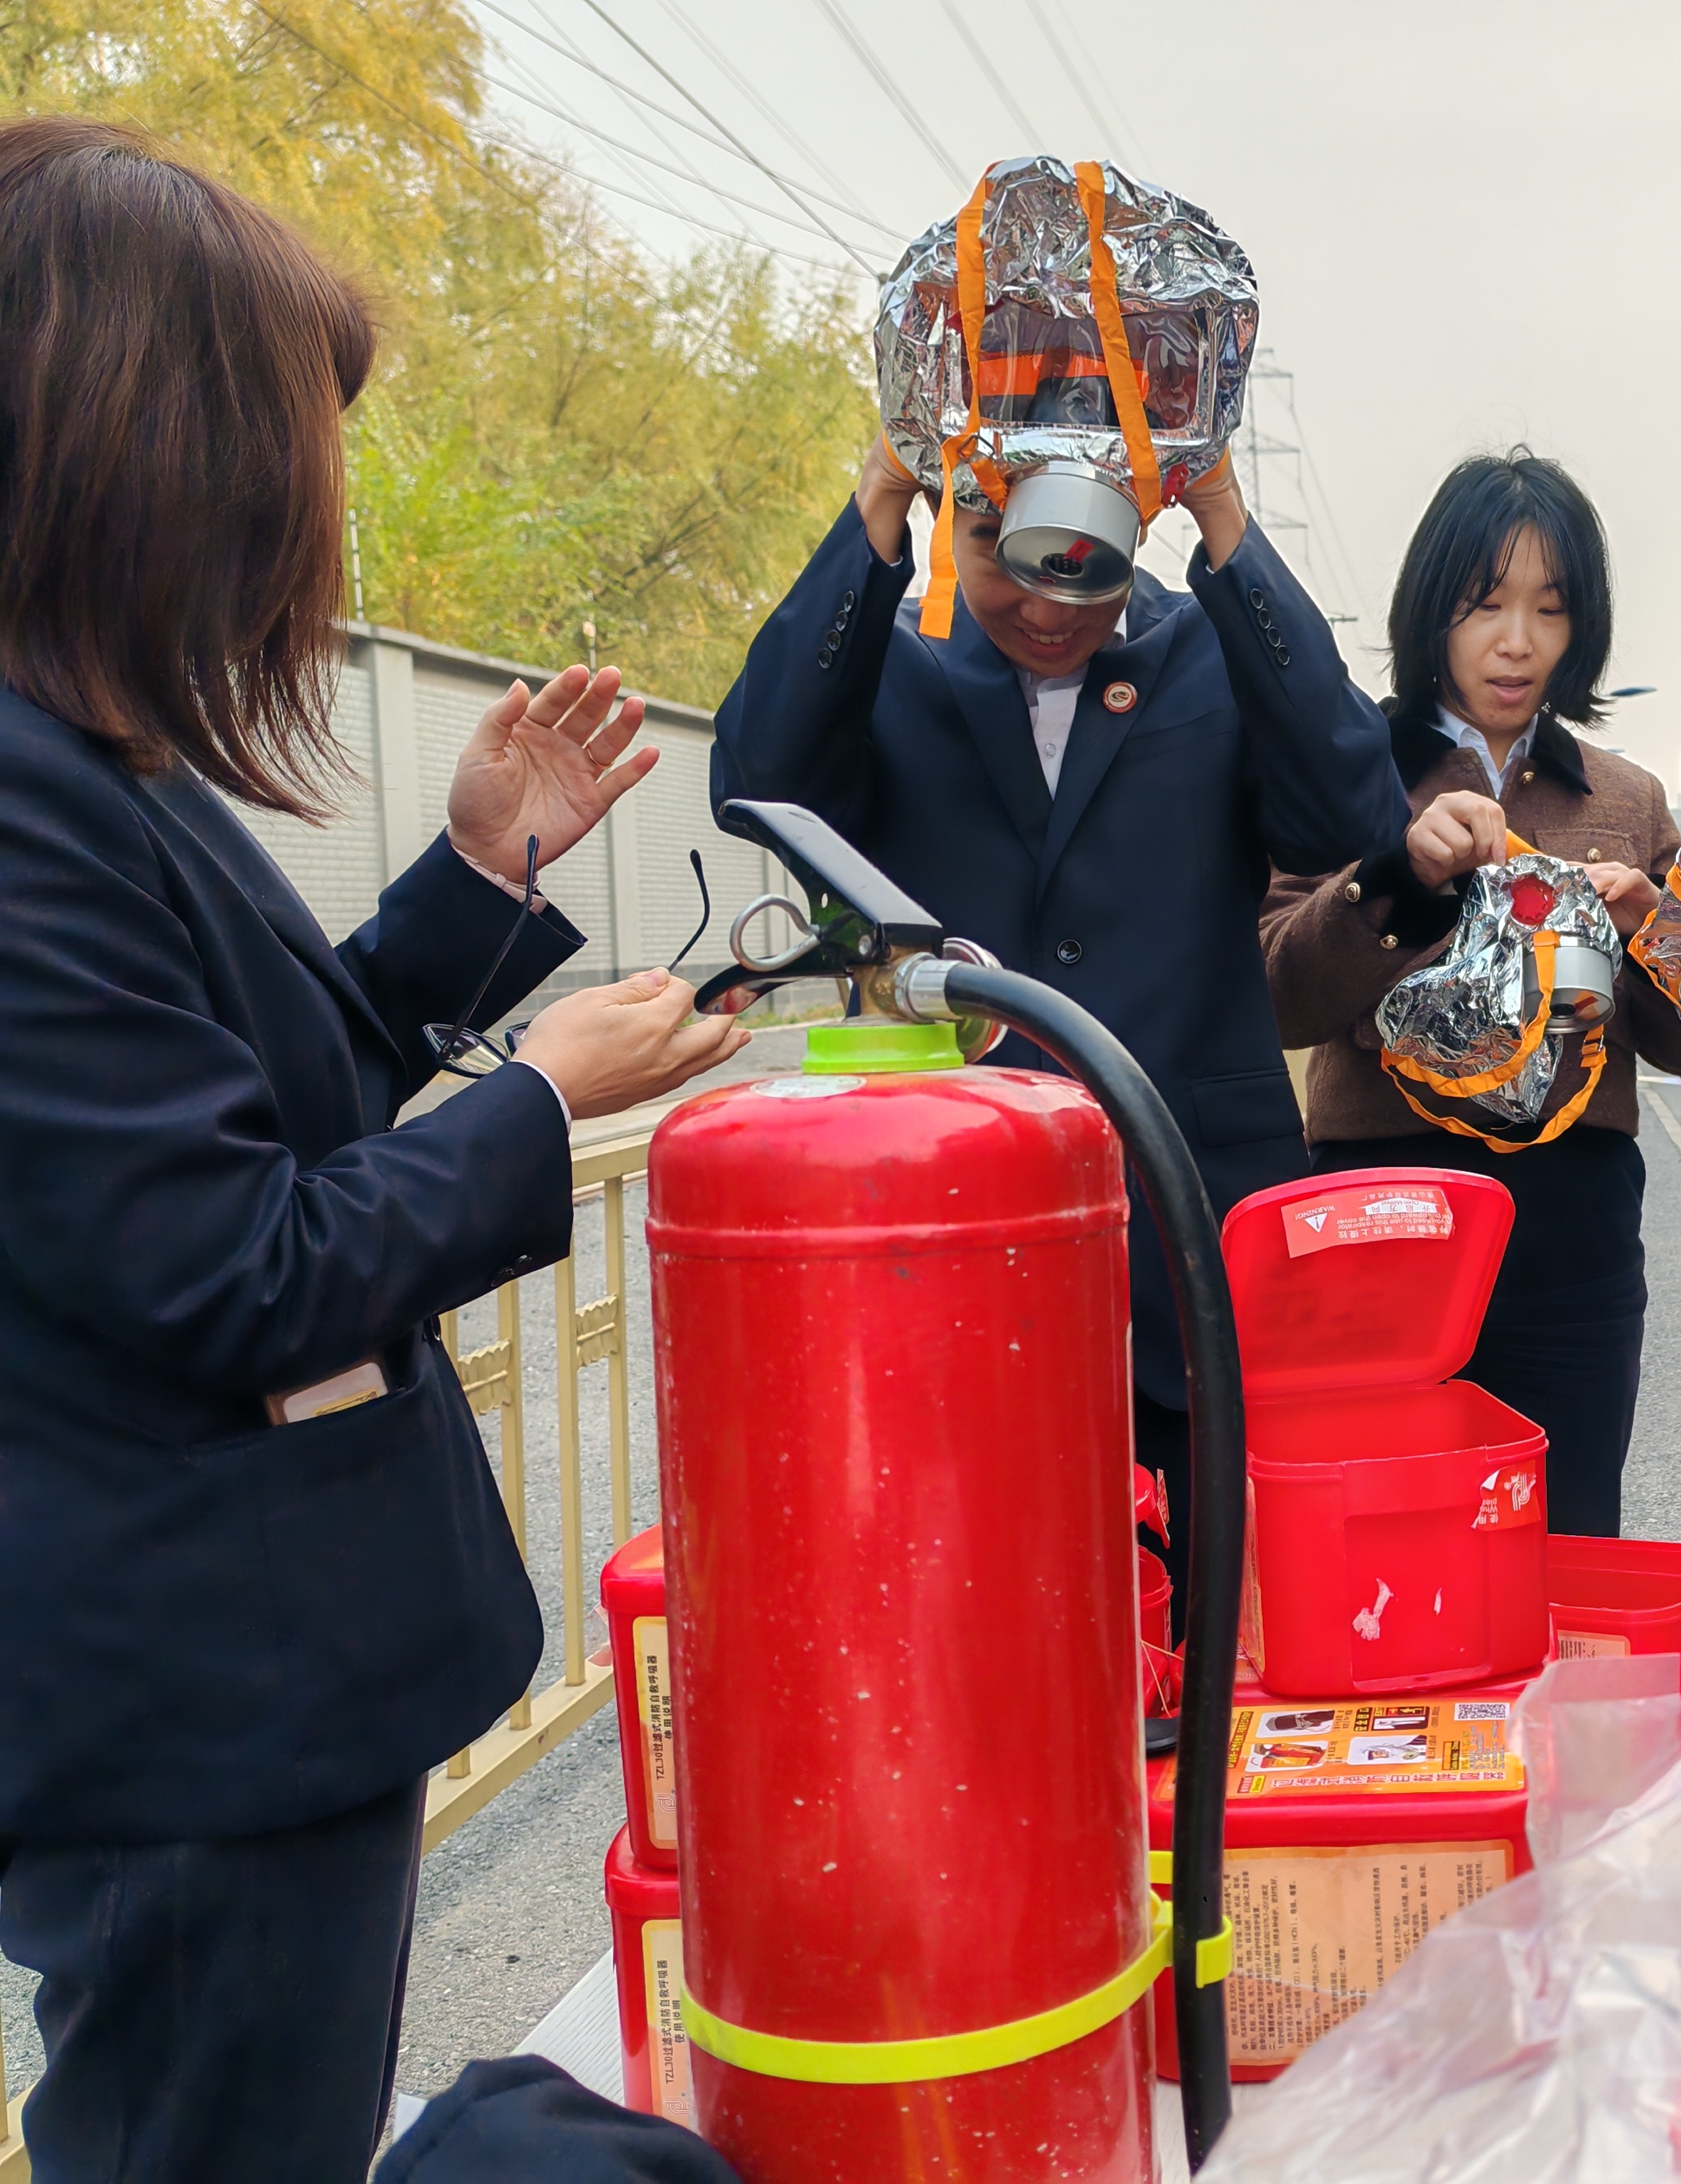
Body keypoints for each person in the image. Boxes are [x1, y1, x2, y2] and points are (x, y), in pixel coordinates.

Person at [0, 119, 746, 2182]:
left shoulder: (89, 766)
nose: (294, 541)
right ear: (146, 455)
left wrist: (467, 889)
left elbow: (229, 1100)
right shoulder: (19, 803)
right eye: (279, 473)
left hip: (260, 1706)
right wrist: (542, 1101)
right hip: (187, 1734)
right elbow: (235, 1262)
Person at [711, 400, 1405, 1583]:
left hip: (1191, 1231)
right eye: (1000, 555)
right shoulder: (898, 664)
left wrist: (1222, 511)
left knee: (1215, 1638)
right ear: (950, 525)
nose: (1045, 608)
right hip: (958, 1241)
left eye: (1085, 569)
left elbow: (1353, 817)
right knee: (985, 1609)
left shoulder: (1207, 655)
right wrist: (882, 493)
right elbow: (757, 781)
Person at [1260, 452, 1681, 1535]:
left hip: (1576, 1224)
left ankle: (1550, 1714)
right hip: (1380, 1207)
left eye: (1550, 610)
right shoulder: (1342, 769)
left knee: (1566, 1521)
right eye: (1485, 604)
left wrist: (1656, 934)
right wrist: (1394, 877)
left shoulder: (1627, 799)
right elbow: (1276, 997)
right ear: (1431, 612)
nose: (1517, 642)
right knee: (1378, 1530)